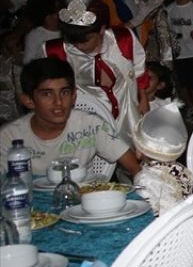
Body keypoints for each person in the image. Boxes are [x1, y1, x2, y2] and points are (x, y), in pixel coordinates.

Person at [0, 57, 141, 178]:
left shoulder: (91, 125)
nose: (58, 102)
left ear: (74, 96)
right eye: (47, 94)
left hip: (82, 202)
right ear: (28, 100)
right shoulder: (9, 137)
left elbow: (134, 167)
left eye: (64, 92)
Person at [43, 0, 149, 143]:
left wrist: (143, 99)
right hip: (87, 116)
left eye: (86, 40)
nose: (79, 46)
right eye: (73, 40)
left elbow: (139, 69)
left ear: (102, 29)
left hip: (126, 108)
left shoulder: (122, 39)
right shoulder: (56, 51)